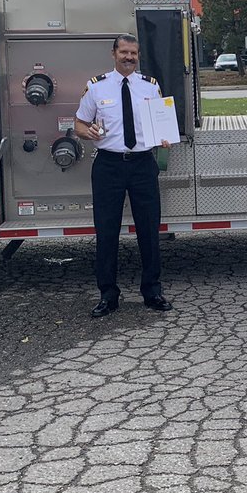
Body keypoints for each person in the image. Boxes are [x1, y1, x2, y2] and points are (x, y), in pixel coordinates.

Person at [75, 34, 172, 317]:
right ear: (113, 53)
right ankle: (108, 294)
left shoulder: (150, 87)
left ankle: (152, 291)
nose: (129, 57)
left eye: (134, 53)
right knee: (106, 232)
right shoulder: (96, 87)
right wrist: (87, 131)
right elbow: (80, 123)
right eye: (124, 52)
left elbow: (161, 123)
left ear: (138, 56)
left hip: (143, 164)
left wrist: (164, 138)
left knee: (149, 230)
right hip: (108, 165)